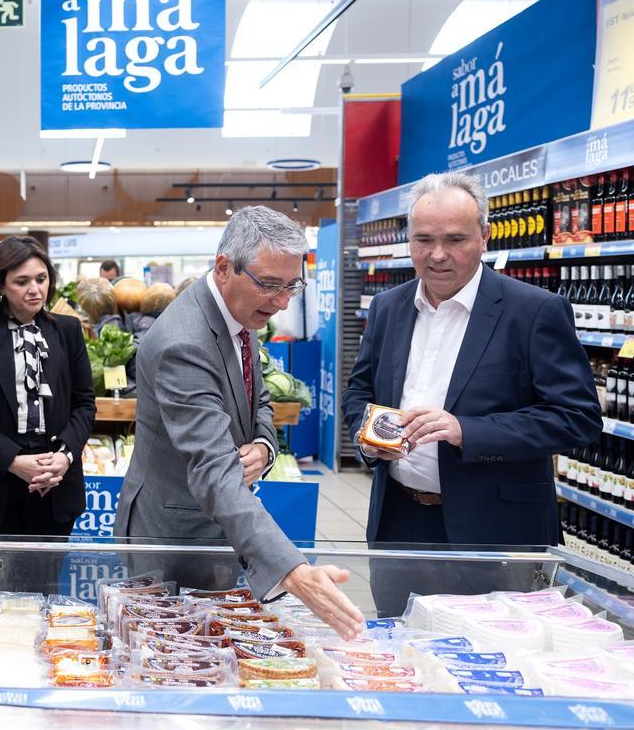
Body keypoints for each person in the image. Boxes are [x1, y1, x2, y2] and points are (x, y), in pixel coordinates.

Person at [342, 172, 602, 616]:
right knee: (401, 643)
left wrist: (466, 431)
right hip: (399, 522)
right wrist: (370, 438)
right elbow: (358, 392)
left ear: (484, 236)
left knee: (498, 648)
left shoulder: (533, 311)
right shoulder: (388, 308)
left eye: (455, 239)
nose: (437, 254)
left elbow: (577, 417)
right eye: (423, 240)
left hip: (495, 531)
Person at [114, 206, 364, 641]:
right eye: (269, 284)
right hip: (176, 535)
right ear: (224, 267)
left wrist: (264, 448)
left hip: (215, 522)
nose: (282, 301)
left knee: (215, 647)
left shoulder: (239, 312)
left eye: (292, 286)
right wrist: (292, 570)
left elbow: (257, 398)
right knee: (175, 653)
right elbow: (214, 469)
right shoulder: (184, 343)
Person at [0, 236, 96, 566]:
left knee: (45, 583)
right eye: (22, 281)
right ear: (1, 285)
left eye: (41, 279)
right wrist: (13, 461)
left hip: (53, 482)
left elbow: (84, 402)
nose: (34, 290)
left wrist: (65, 456)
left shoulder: (68, 330)